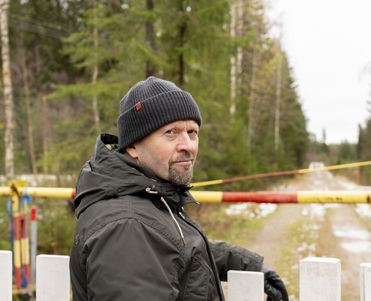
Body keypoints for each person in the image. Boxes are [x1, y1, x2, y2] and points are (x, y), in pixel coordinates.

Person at [69, 76, 289, 301]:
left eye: (192, 132)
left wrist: (249, 265)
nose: (188, 146)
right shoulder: (127, 225)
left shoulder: (149, 199)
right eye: (170, 133)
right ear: (133, 145)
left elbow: (173, 248)